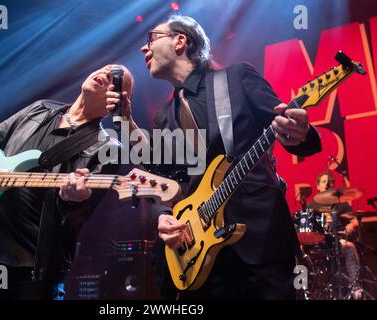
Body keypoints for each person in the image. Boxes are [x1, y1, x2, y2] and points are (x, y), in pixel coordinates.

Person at [107, 15, 321, 299]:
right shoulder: (164, 116)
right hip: (200, 253)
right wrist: (164, 215)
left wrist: (300, 132)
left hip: (258, 240)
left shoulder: (236, 78)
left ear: (180, 41)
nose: (143, 50)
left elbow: (291, 130)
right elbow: (161, 178)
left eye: (151, 39)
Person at [0, 64, 134, 299]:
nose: (105, 74)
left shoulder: (108, 148)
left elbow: (76, 218)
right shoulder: (39, 108)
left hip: (34, 270)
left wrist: (72, 200)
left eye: (115, 78)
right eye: (105, 69)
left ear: (119, 100)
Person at [307, 170, 362, 299]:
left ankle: (355, 286)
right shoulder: (311, 205)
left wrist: (350, 225)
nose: (326, 184)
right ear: (318, 186)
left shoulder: (340, 203)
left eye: (329, 182)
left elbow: (354, 220)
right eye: (323, 181)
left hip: (337, 241)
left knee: (349, 246)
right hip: (318, 244)